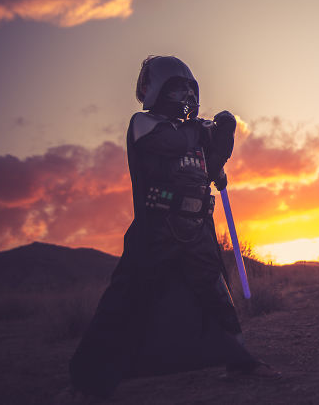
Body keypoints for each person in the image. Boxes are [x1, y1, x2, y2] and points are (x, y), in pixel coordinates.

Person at [68, 55, 276, 400]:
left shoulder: (193, 133)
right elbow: (174, 143)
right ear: (156, 89)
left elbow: (211, 167)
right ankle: (87, 381)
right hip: (155, 230)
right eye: (176, 87)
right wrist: (204, 129)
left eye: (188, 88)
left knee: (216, 295)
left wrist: (224, 131)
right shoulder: (144, 124)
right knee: (126, 299)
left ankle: (239, 361)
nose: (185, 96)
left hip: (197, 230)